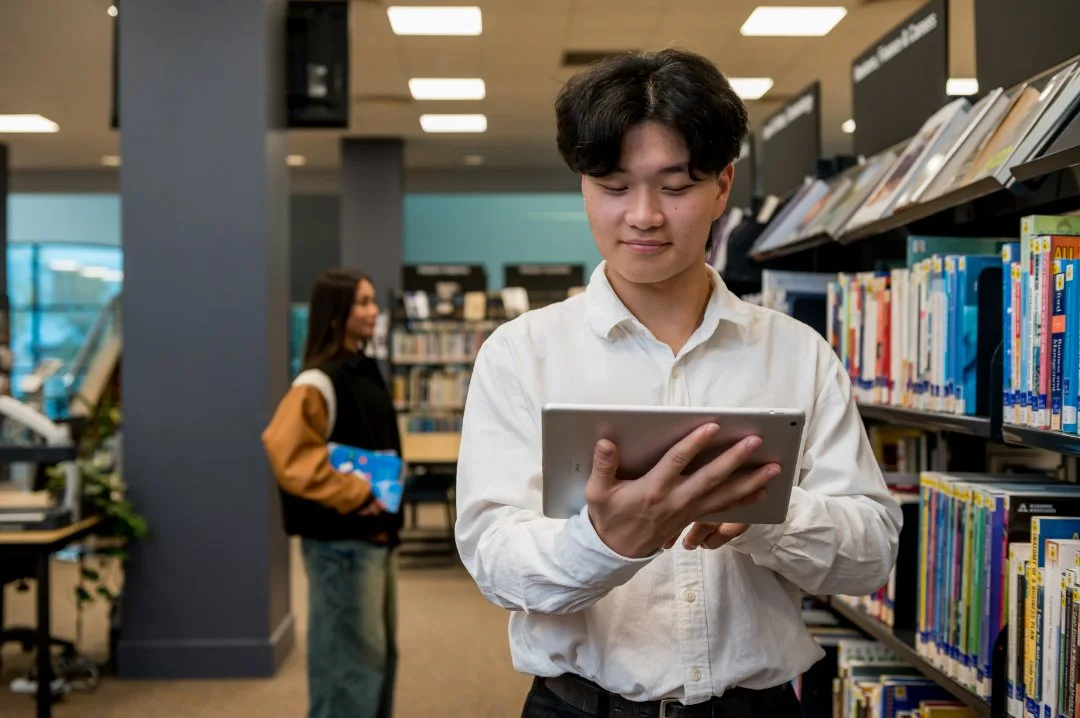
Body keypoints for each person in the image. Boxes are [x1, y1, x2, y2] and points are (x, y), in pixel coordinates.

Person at [454, 48, 902, 717]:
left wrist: (763, 513)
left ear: (722, 185)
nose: (643, 215)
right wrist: (604, 542)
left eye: (674, 186)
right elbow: (494, 559)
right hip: (580, 707)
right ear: (583, 185)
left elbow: (871, 553)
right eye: (612, 187)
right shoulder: (522, 354)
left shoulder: (798, 354)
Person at [262, 269, 401, 718]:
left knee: (375, 660)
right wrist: (354, 494)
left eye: (372, 300)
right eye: (362, 302)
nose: (373, 310)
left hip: (374, 540)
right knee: (349, 665)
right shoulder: (317, 382)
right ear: (336, 314)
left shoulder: (364, 371)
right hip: (341, 547)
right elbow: (288, 454)